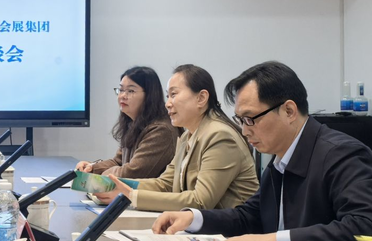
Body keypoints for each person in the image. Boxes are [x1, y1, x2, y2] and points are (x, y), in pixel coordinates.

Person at [151, 61, 372, 241]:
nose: (245, 131)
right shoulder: (280, 161)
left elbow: (366, 228)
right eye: (240, 120)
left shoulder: (342, 155)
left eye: (250, 119)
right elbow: (250, 216)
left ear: (289, 111)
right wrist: (194, 218)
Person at [94, 64, 258, 212]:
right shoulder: (187, 135)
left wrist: (131, 196)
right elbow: (165, 184)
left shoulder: (220, 135)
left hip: (232, 231)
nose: (168, 103)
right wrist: (120, 185)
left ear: (201, 98)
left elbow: (201, 201)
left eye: (173, 94)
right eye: (168, 96)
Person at [75, 66, 177, 179]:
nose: (122, 96)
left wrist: (102, 175)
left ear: (149, 95)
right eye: (121, 90)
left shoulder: (161, 130)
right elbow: (118, 161)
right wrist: (91, 168)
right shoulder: (134, 123)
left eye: (131, 91)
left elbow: (132, 173)